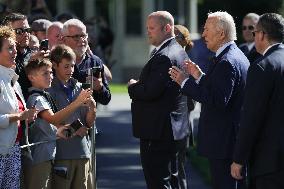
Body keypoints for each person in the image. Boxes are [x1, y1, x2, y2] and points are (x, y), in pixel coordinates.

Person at [169, 11, 249, 189]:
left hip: (224, 144)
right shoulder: (233, 54)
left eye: (206, 29)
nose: (203, 34)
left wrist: (185, 83)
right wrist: (199, 77)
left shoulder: (227, 61)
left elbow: (218, 100)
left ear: (221, 33)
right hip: (228, 142)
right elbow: (220, 90)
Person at [128, 11, 190, 189]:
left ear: (167, 28)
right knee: (173, 180)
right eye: (147, 28)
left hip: (158, 132)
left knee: (158, 182)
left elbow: (150, 92)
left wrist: (133, 86)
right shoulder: (177, 50)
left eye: (152, 28)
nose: (148, 32)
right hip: (171, 130)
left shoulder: (165, 55)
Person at [231, 13, 284, 189]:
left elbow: (251, 118)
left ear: (261, 34)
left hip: (268, 163)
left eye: (254, 32)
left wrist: (238, 159)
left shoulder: (262, 66)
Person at [23, 58, 92, 189]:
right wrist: (78, 102)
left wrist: (66, 131)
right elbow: (54, 119)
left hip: (47, 155)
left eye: (51, 73)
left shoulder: (43, 96)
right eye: (45, 73)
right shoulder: (36, 98)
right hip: (39, 157)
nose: (50, 76)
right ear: (31, 77)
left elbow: (49, 128)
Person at [48, 44, 96, 189]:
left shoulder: (80, 87)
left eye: (73, 66)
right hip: (61, 153)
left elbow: (88, 124)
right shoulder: (49, 90)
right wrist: (76, 128)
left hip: (83, 152)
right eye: (66, 66)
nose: (71, 70)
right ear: (55, 65)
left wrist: (92, 109)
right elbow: (52, 121)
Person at [0, 25, 37, 189]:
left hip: (13, 149)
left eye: (15, 47)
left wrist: (27, 118)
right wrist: (20, 117)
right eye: (9, 48)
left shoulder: (12, 80)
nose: (15, 52)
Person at [62, 18, 111, 105]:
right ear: (64, 40)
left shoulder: (95, 61)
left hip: (88, 117)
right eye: (76, 37)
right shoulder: (55, 61)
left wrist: (100, 88)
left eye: (84, 36)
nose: (82, 40)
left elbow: (106, 99)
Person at [2, 12, 49, 100]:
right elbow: (12, 84)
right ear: (8, 33)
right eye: (19, 31)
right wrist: (30, 65)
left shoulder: (33, 53)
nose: (26, 34)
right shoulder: (4, 57)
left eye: (27, 30)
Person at [173, 24, 195, 189]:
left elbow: (192, 102)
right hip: (170, 126)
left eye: (177, 37)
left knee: (179, 170)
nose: (172, 40)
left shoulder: (186, 64)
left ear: (184, 41)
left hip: (180, 126)